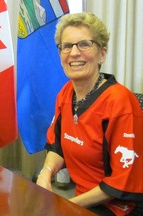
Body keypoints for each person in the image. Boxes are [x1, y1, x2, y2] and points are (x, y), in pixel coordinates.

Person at [36, 12, 143, 215]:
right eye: (67, 46)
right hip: (84, 200)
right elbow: (57, 147)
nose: (74, 53)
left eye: (84, 44)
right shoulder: (66, 94)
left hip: (120, 207)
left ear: (102, 53)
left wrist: (68, 205)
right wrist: (46, 172)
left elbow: (121, 183)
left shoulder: (120, 102)